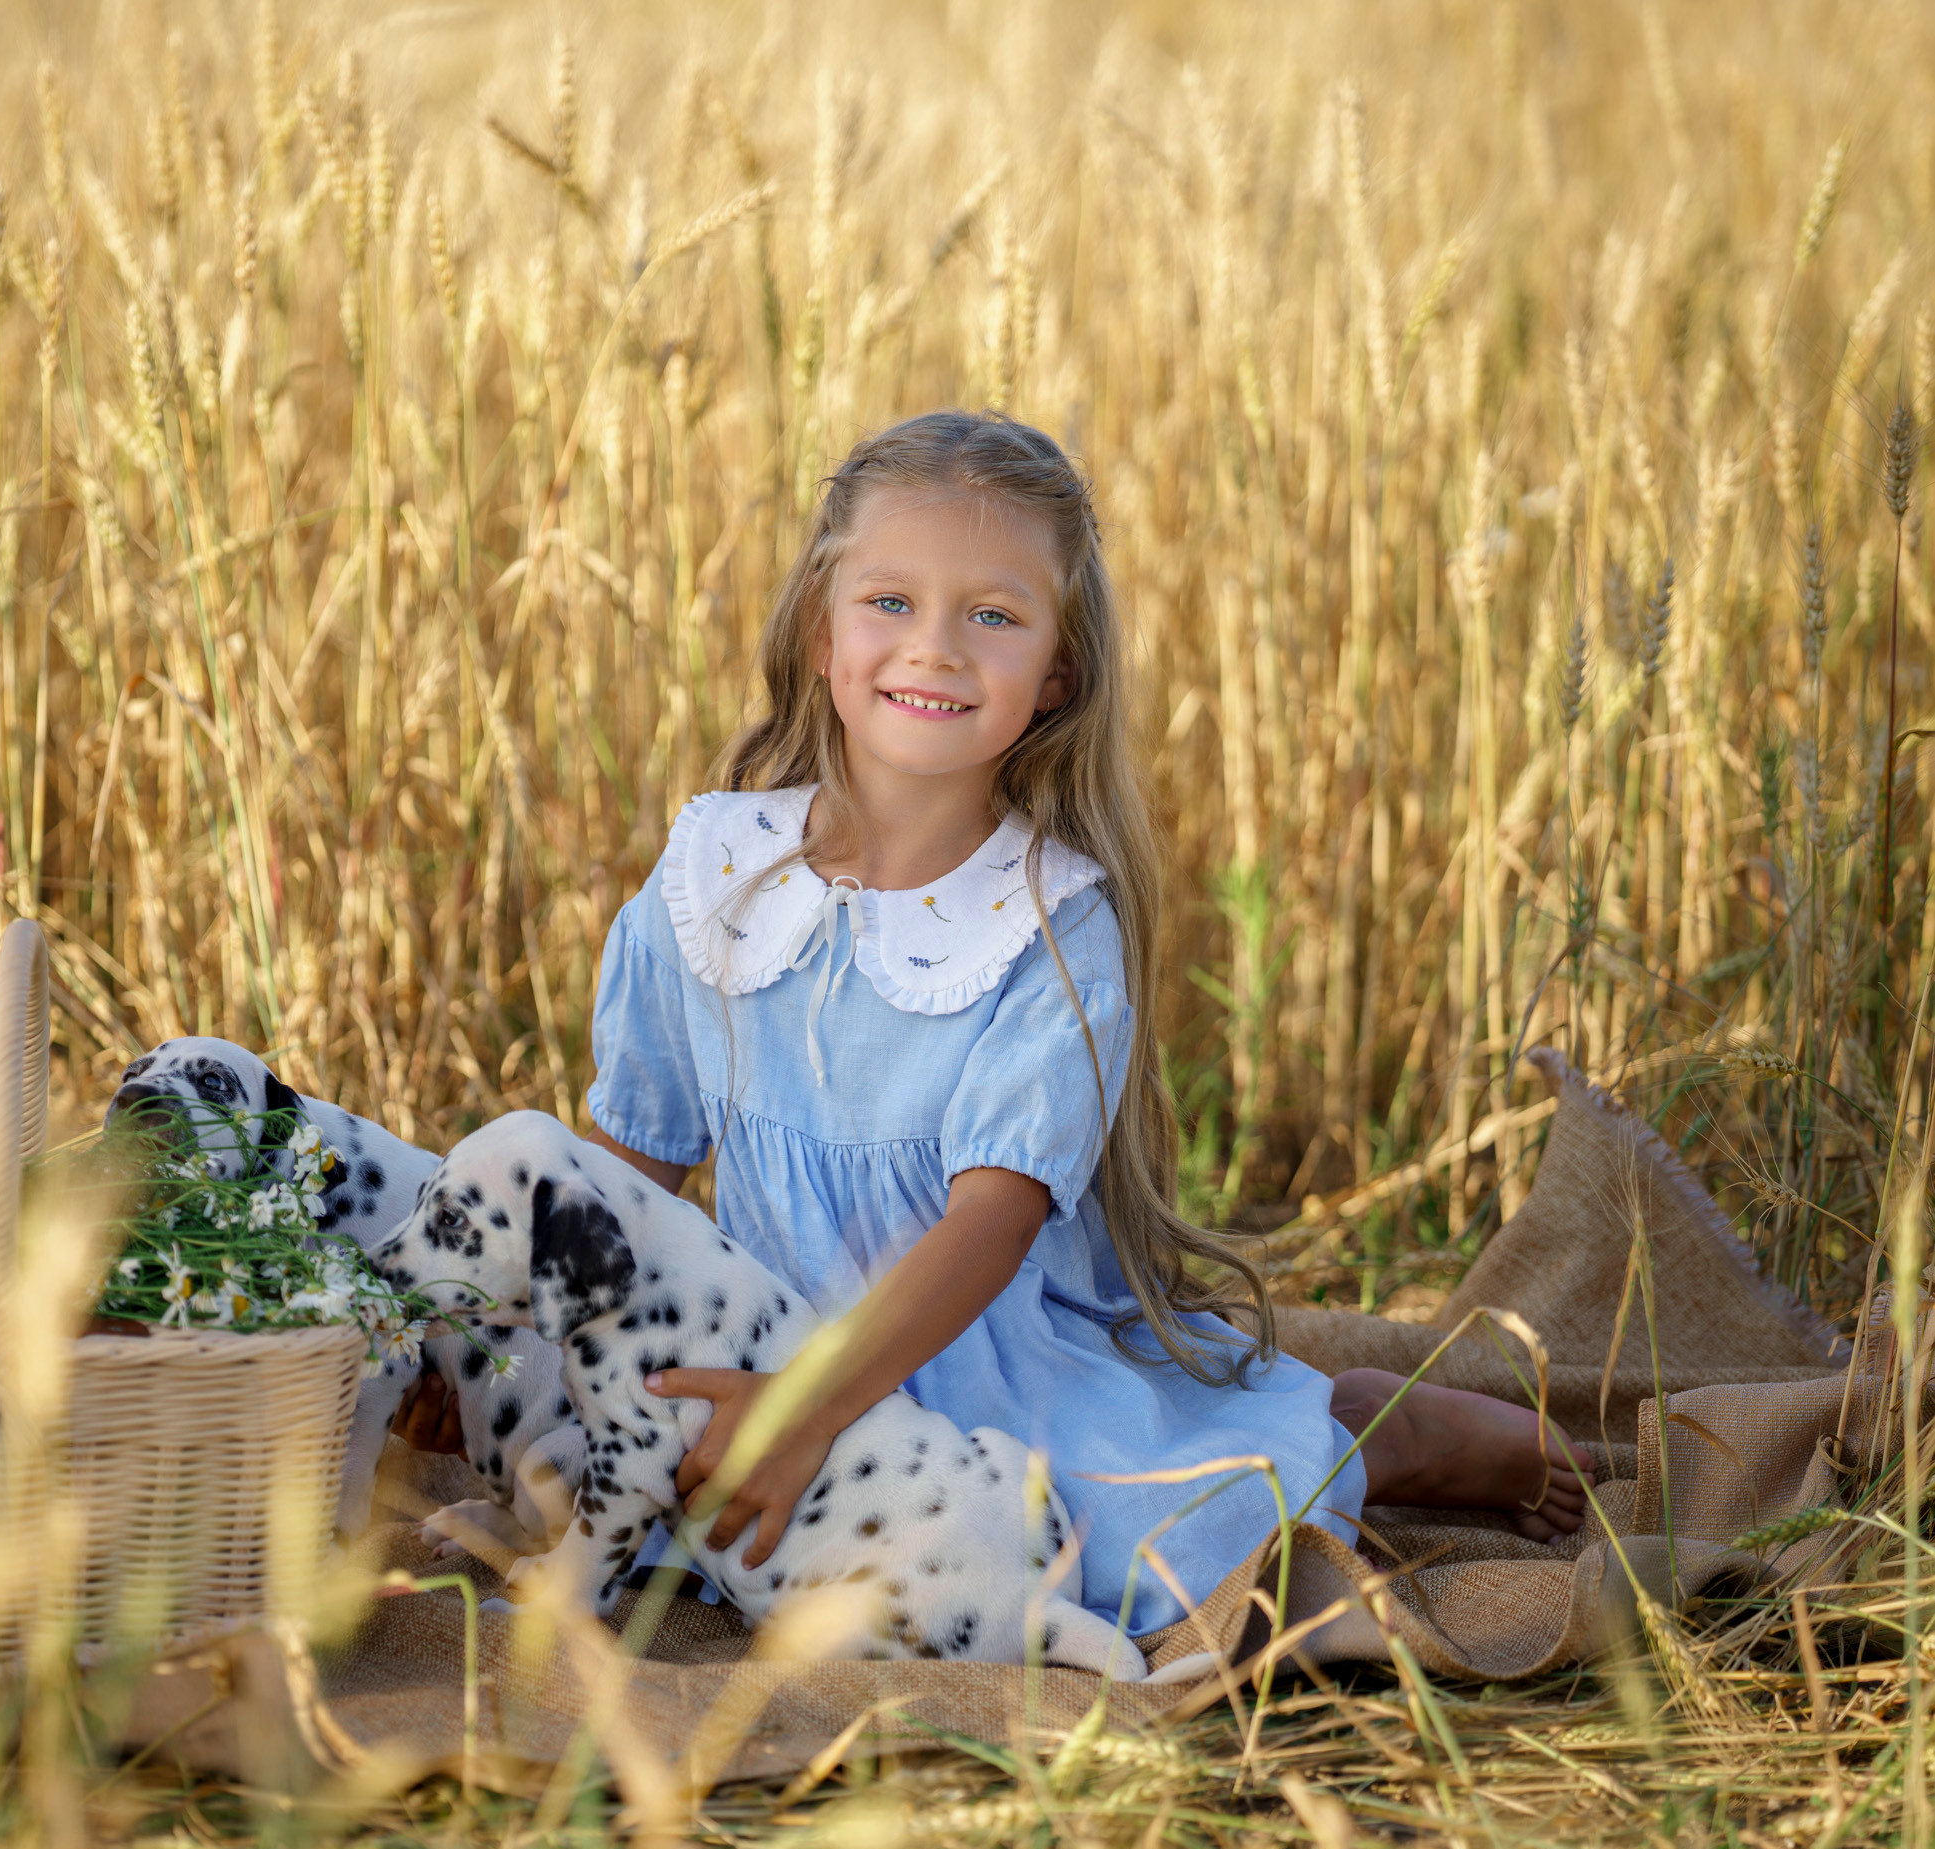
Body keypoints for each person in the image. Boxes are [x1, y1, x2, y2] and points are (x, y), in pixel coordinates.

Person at [543, 409, 1590, 1636]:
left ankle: (1368, 1430)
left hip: (981, 1360)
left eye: (990, 616)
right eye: (889, 602)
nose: (932, 650)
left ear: (1055, 676)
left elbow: (990, 1226)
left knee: (1135, 1552)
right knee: (605, 1494)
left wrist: (808, 1408)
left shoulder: (1044, 923)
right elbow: (630, 1164)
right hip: (761, 1340)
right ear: (820, 632)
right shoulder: (713, 873)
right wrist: (540, 1341)